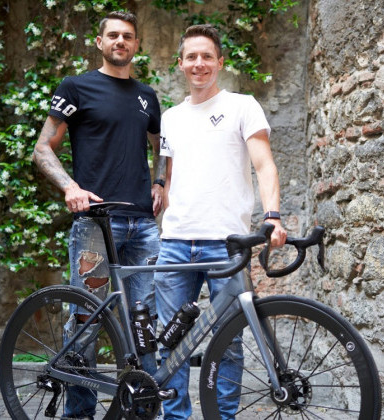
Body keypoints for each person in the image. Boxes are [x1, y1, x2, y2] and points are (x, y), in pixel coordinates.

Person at [32, 11, 165, 419]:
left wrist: (160, 182)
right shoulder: (76, 87)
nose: (120, 41)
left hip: (143, 225)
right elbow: (42, 148)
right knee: (86, 319)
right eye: (113, 35)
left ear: (136, 44)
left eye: (128, 36)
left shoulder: (147, 96)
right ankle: (80, 413)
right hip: (95, 222)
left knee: (144, 322)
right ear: (100, 42)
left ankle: (140, 411)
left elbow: (161, 146)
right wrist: (70, 187)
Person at [155, 24, 287, 420]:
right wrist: (161, 202)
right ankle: (175, 417)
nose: (199, 63)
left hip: (226, 243)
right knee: (171, 344)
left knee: (228, 342)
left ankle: (222, 417)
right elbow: (168, 174)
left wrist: (273, 216)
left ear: (220, 62)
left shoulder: (242, 106)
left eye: (207, 56)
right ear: (181, 64)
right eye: (191, 57)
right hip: (176, 242)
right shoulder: (170, 117)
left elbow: (264, 166)